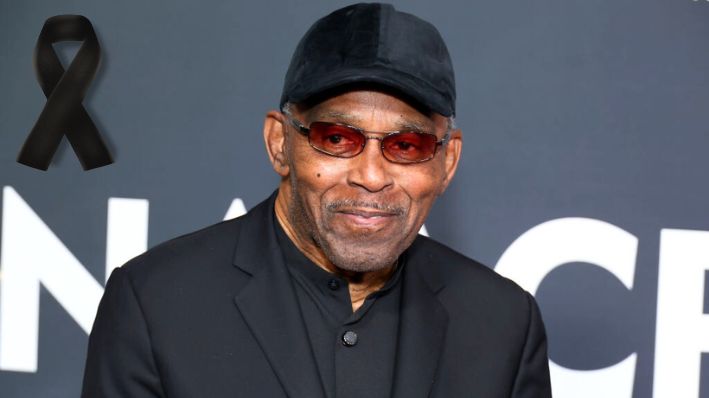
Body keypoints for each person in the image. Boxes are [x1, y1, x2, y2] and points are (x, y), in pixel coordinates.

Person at [81, 3, 552, 397]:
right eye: (337, 138)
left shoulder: (504, 325)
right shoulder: (156, 305)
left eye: (406, 146)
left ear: (446, 163)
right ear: (279, 143)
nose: (371, 176)